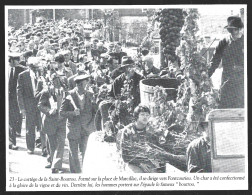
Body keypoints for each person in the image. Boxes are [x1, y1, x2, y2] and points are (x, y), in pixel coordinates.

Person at [60, 74, 96, 173]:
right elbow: (61, 112)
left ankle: (85, 173)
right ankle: (75, 175)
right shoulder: (69, 95)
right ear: (79, 85)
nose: (87, 85)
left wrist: (91, 125)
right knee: (74, 154)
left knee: (85, 153)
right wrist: (73, 113)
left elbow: (95, 113)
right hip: (73, 129)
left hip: (87, 129)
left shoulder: (90, 95)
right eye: (85, 84)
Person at [208, 16, 244, 109]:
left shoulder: (246, 41)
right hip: (227, 81)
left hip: (242, 82)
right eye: (230, 30)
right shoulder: (223, 42)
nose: (233, 33)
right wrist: (206, 75)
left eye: (235, 30)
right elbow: (215, 61)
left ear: (241, 29)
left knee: (241, 107)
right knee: (225, 106)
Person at [38, 73, 67, 173]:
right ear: (51, 81)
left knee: (61, 142)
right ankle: (51, 160)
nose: (57, 82)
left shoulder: (65, 92)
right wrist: (49, 110)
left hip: (62, 121)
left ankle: (56, 166)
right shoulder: (47, 92)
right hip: (50, 120)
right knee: (52, 143)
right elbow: (40, 105)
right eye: (54, 80)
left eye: (58, 80)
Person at [118, 104, 158, 173]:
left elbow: (156, 148)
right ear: (136, 116)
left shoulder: (151, 130)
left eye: (147, 115)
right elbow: (125, 156)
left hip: (147, 161)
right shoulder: (128, 131)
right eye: (142, 114)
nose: (145, 117)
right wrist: (139, 163)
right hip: (132, 162)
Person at [17, 57, 42, 154]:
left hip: (41, 104)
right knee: (30, 127)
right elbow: (19, 93)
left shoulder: (41, 74)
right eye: (34, 67)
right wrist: (22, 108)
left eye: (37, 67)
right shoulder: (22, 75)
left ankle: (44, 147)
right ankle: (30, 147)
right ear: (30, 67)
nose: (36, 69)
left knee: (42, 126)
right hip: (29, 106)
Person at [8, 52, 26, 149]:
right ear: (11, 60)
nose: (18, 62)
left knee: (13, 120)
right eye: (16, 60)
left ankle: (12, 142)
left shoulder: (21, 70)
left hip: (14, 100)